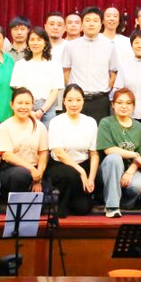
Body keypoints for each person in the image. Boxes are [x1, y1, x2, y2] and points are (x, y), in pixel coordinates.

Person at [47, 84, 100, 217]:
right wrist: (81, 172)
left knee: (82, 209)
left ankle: (75, 199)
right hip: (61, 166)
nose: (74, 104)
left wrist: (91, 178)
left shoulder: (91, 122)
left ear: (83, 101)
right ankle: (61, 208)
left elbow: (94, 154)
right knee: (71, 174)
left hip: (83, 163)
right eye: (70, 100)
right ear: (64, 101)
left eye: (78, 100)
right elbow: (59, 153)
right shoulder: (56, 122)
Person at [96, 89, 141, 217]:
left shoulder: (139, 126)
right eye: (119, 102)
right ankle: (112, 206)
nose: (124, 106)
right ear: (113, 105)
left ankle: (124, 203)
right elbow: (109, 149)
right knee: (115, 158)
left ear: (133, 107)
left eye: (128, 103)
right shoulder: (106, 122)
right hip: (109, 168)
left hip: (129, 169)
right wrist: (134, 155)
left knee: (140, 186)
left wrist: (130, 171)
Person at [62, 6, 119, 123]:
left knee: (98, 135)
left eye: (95, 21)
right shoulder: (70, 46)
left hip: (100, 100)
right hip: (76, 100)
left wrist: (104, 89)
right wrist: (74, 90)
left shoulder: (109, 46)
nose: (91, 24)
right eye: (87, 21)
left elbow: (113, 72)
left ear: (101, 24)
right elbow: (66, 71)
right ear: (82, 24)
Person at [0, 88, 50, 198]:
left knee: (41, 205)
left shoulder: (40, 126)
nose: (23, 107)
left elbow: (43, 153)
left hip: (35, 171)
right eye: (19, 103)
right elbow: (7, 155)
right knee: (21, 174)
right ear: (12, 104)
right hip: (12, 171)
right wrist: (31, 169)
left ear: (32, 105)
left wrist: (38, 177)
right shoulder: (5, 126)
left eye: (27, 103)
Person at [10, 26, 64, 129]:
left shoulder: (54, 65)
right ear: (28, 42)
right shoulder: (20, 64)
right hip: (25, 109)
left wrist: (42, 110)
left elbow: (55, 90)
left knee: (47, 142)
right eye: (32, 39)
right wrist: (29, 111)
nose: (35, 43)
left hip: (48, 109)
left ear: (45, 43)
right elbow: (19, 90)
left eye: (39, 40)